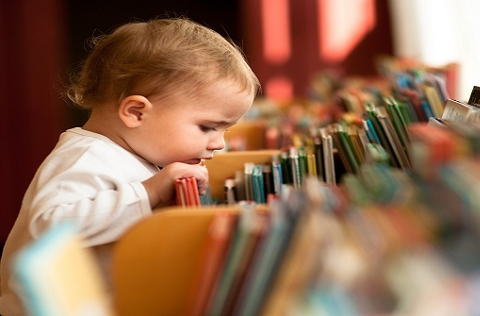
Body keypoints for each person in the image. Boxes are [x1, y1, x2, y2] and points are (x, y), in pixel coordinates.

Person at [0, 16, 260, 315]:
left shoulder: (139, 154)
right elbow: (51, 225)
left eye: (224, 130)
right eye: (207, 127)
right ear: (136, 112)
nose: (219, 143)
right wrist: (148, 192)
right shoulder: (86, 157)